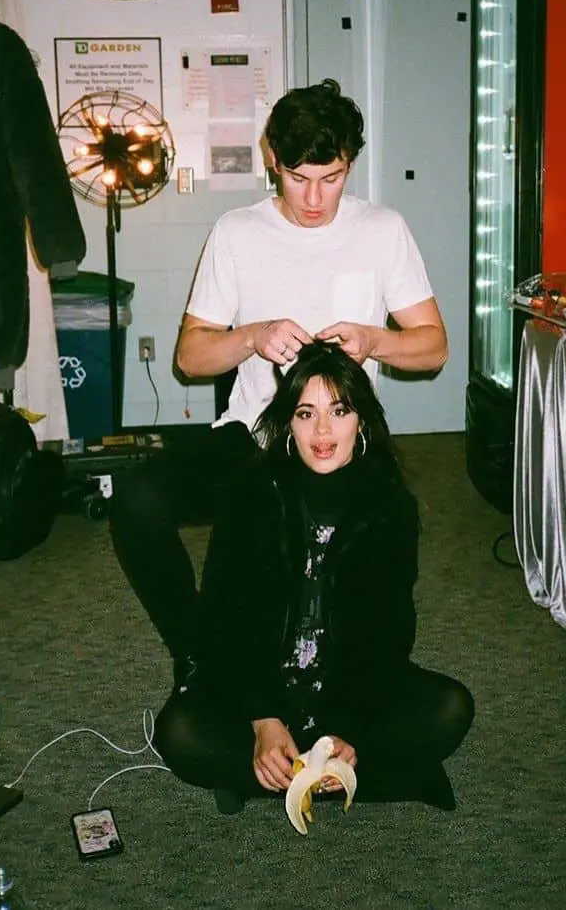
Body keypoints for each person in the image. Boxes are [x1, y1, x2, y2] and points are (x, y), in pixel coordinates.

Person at [109, 78, 448, 688]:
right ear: (273, 159)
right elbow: (190, 357)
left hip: (340, 441)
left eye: (332, 178)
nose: (315, 198)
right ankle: (195, 653)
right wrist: (252, 336)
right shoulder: (237, 232)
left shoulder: (383, 229)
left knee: (359, 556)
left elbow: (433, 349)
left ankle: (349, 679)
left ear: (350, 164)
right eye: (298, 178)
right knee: (137, 499)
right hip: (257, 436)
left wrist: (374, 340)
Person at [153, 341, 474, 813]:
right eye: (306, 414)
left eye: (339, 411)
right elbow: (225, 618)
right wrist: (263, 718)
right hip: (265, 685)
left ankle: (274, 778)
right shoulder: (252, 494)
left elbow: (388, 633)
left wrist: (347, 728)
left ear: (361, 421)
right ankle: (359, 779)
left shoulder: (388, 506)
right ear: (289, 424)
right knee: (179, 735)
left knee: (451, 708)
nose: (323, 430)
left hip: (345, 689)